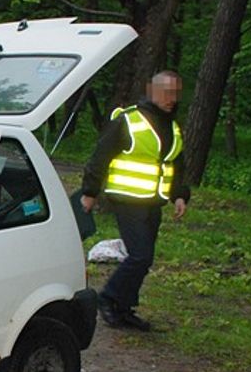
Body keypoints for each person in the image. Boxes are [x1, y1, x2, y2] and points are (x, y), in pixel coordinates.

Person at [80, 70, 189, 331]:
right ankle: (108, 298)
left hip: (153, 201)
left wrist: (179, 195)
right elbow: (100, 156)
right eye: (166, 92)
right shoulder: (129, 121)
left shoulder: (172, 127)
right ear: (153, 91)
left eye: (175, 93)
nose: (171, 98)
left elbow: (175, 164)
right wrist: (90, 192)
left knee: (144, 258)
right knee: (140, 255)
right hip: (127, 198)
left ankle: (124, 308)